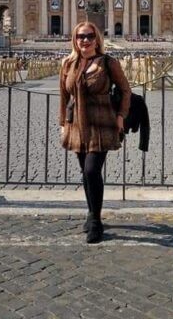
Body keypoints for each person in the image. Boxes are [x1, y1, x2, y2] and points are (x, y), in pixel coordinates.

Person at [59, 21, 131, 244]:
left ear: (97, 39)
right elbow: (63, 96)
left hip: (102, 122)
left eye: (90, 36)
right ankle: (91, 214)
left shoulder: (109, 63)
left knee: (91, 170)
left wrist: (120, 117)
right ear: (75, 39)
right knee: (85, 172)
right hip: (77, 124)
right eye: (81, 36)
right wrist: (63, 123)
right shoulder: (68, 63)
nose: (85, 40)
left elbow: (125, 90)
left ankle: (96, 221)